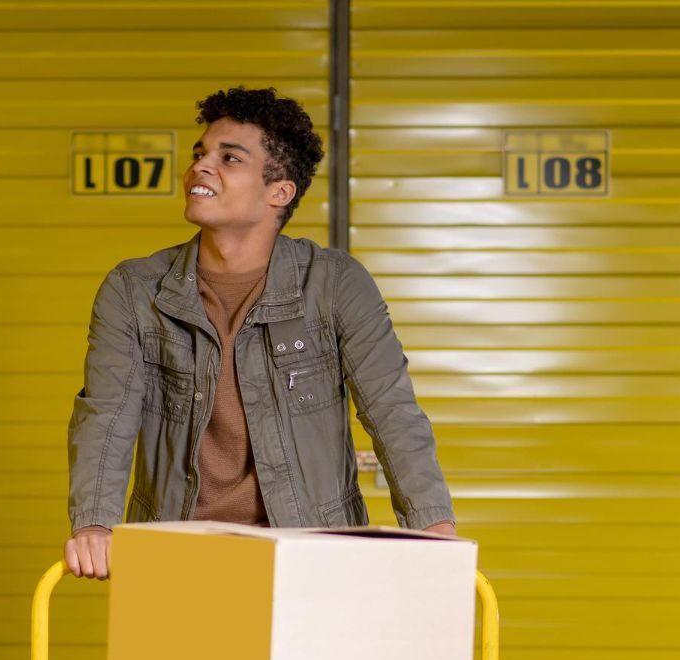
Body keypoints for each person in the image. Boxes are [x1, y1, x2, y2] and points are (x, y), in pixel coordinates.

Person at [65, 85, 456, 580]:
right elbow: (106, 413)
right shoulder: (134, 290)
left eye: (230, 158)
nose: (201, 167)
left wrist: (433, 524)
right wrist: (94, 525)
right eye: (200, 153)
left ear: (279, 192)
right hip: (175, 556)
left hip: (311, 557)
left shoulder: (335, 284)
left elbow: (391, 410)